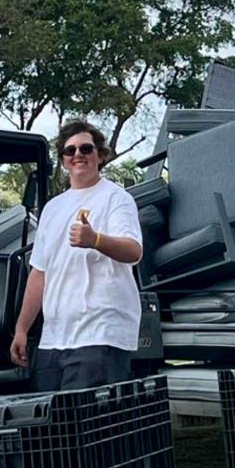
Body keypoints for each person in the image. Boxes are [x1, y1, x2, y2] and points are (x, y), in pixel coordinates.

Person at [10, 120, 143, 391]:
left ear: (101, 155)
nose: (78, 154)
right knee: (53, 428)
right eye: (70, 151)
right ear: (63, 161)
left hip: (100, 333)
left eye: (86, 148)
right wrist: (22, 328)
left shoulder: (116, 199)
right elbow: (39, 272)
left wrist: (95, 239)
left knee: (89, 426)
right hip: (54, 338)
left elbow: (134, 250)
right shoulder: (53, 208)